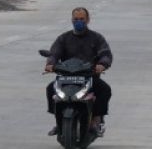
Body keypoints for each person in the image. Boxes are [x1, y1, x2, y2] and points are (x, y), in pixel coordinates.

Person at [44, 7, 112, 136]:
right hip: (66, 77)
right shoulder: (63, 38)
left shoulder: (96, 38)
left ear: (88, 20)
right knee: (50, 88)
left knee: (105, 89)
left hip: (89, 77)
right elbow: (54, 53)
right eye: (76, 19)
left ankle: (96, 120)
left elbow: (105, 53)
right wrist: (50, 64)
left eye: (82, 19)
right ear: (72, 20)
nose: (79, 22)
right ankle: (59, 122)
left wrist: (102, 64)